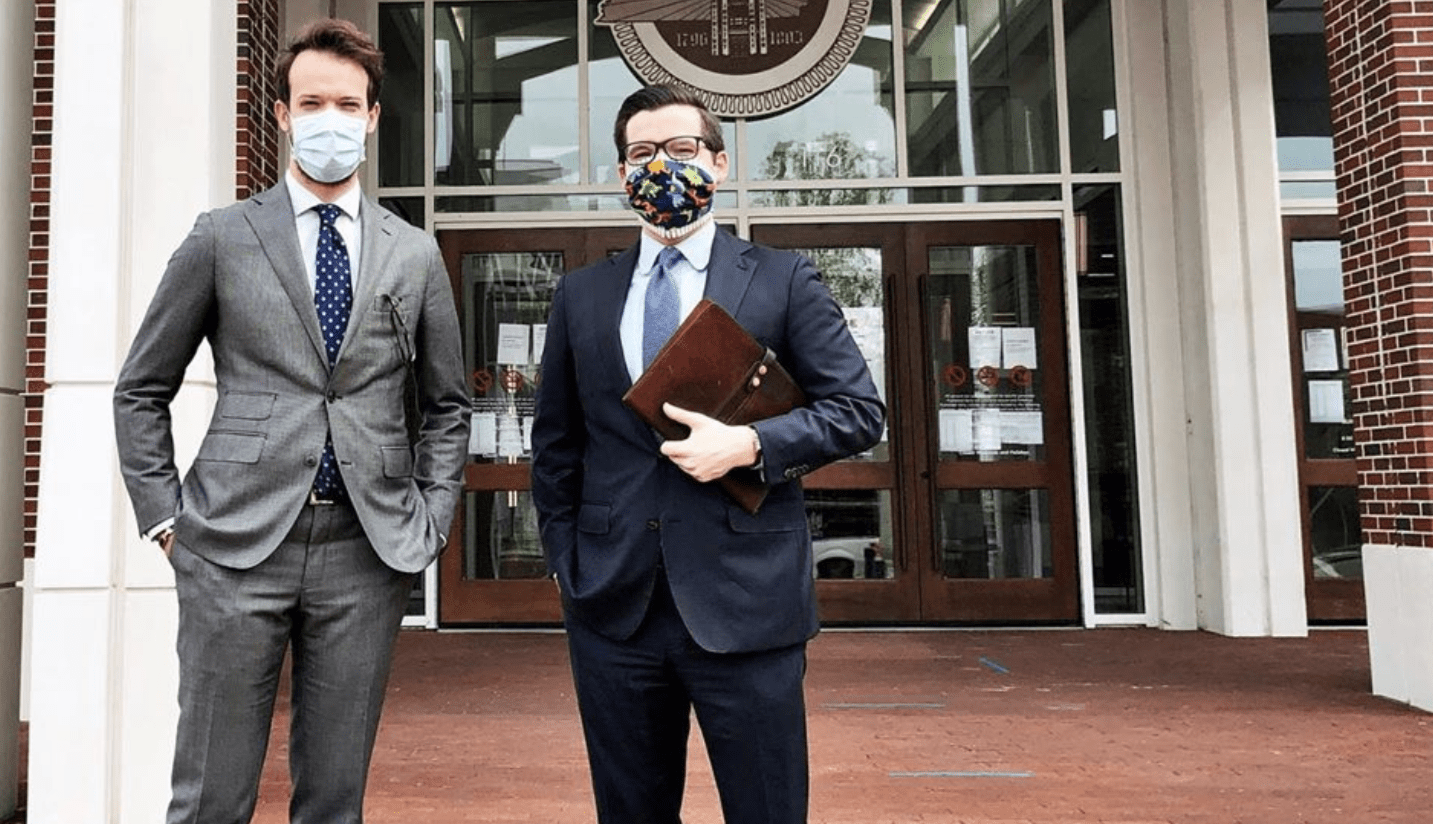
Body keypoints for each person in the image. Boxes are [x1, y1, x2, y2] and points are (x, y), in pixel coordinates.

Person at [112, 19, 468, 824]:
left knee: (335, 800)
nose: (330, 119)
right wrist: (166, 520)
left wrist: (432, 520)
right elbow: (140, 389)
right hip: (232, 543)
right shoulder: (222, 237)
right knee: (211, 796)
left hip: (365, 551)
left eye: (348, 103)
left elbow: (448, 406)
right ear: (281, 113)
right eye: (312, 102)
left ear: (374, 118)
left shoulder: (413, 254)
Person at [531, 84, 885, 824]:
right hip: (613, 608)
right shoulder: (582, 296)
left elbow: (857, 411)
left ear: (718, 165)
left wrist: (751, 444)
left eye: (682, 150)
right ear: (623, 174)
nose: (661, 166)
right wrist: (569, 567)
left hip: (747, 604)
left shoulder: (783, 280)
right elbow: (557, 449)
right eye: (641, 154)